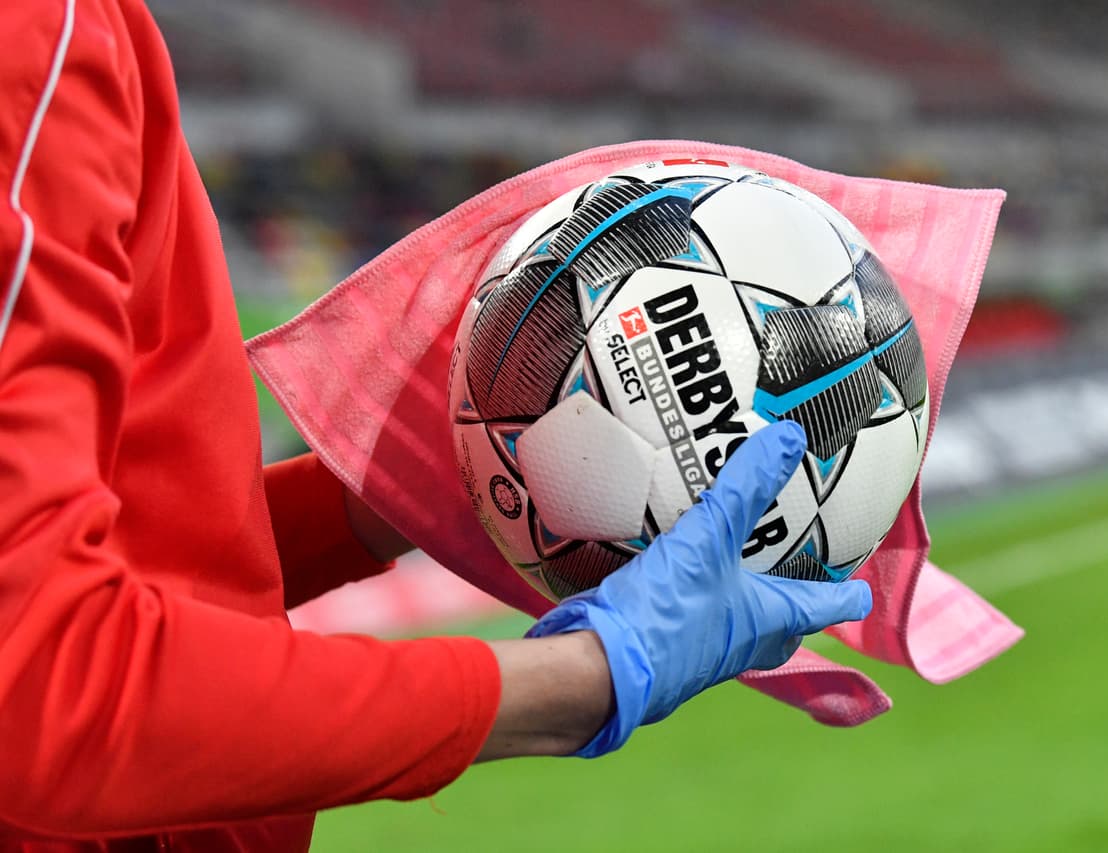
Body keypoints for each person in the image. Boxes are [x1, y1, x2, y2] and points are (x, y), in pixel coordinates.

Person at [0, 1, 872, 849]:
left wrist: (391, 498)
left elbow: (100, 554)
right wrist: (586, 678)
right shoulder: (37, 35)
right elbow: (41, 686)